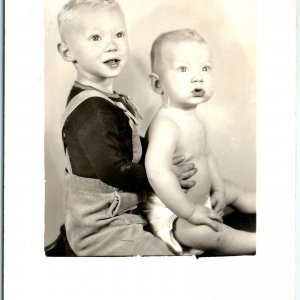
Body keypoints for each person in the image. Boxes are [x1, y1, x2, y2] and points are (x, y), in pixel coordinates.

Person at [56, 0, 198, 256]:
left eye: (119, 34)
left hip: (121, 214)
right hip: (101, 229)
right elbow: (113, 169)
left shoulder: (102, 99)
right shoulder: (93, 111)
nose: (112, 45)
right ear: (68, 53)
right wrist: (162, 176)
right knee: (167, 263)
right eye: (96, 37)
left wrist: (160, 160)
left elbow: (125, 146)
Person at [144, 29, 256, 256]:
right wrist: (190, 212)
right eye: (183, 69)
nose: (198, 77)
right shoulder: (167, 124)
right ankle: (260, 242)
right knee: (209, 234)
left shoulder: (194, 117)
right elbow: (156, 173)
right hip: (174, 212)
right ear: (158, 85)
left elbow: (206, 155)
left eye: (205, 68)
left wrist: (220, 188)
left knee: (233, 188)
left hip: (200, 203)